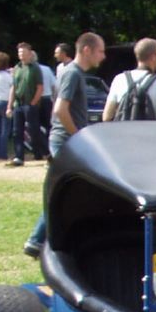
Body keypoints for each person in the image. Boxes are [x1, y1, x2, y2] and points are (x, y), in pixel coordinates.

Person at [23, 31, 106, 258]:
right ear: (86, 50)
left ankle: (38, 241)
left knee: (63, 192)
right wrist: (78, 137)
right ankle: (37, 241)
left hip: (66, 141)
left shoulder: (74, 73)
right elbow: (60, 109)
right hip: (66, 141)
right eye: (100, 50)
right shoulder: (72, 74)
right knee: (62, 193)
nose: (103, 56)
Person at [103, 37, 156, 121]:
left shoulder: (119, 79)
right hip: (149, 132)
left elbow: (106, 117)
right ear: (153, 56)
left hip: (122, 133)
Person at [6, 41, 43, 166]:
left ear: (29, 53)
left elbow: (40, 88)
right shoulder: (17, 68)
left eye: (23, 52)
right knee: (17, 131)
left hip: (29, 104)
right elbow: (13, 88)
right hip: (18, 104)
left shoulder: (35, 68)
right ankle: (19, 156)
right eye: (19, 52)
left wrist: (33, 103)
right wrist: (9, 106)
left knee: (34, 131)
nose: (21, 54)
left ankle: (39, 153)